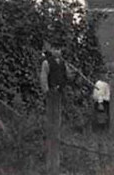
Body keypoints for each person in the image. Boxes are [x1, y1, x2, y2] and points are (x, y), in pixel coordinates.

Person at [40, 44, 70, 174]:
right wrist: (46, 90)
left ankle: (57, 133)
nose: (57, 51)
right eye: (55, 49)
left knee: (58, 115)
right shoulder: (47, 62)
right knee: (51, 116)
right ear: (51, 50)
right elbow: (43, 77)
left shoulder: (64, 63)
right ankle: (51, 138)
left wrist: (71, 74)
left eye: (59, 48)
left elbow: (68, 76)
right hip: (51, 93)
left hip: (60, 92)